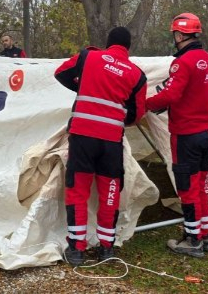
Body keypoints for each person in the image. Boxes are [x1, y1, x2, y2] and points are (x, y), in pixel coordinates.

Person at [54, 27, 147, 266]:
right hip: (111, 141)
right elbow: (136, 114)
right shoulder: (137, 75)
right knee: (110, 192)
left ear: (107, 42)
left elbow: (61, 73)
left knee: (78, 190)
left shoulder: (89, 56)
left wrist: (83, 86)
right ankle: (106, 249)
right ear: (128, 47)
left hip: (82, 136)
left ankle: (76, 249)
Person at [145, 13, 208, 258]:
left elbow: (171, 95)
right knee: (202, 185)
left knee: (187, 186)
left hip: (187, 133)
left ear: (178, 34)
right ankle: (206, 234)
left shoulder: (182, 63)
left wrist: (146, 103)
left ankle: (192, 240)